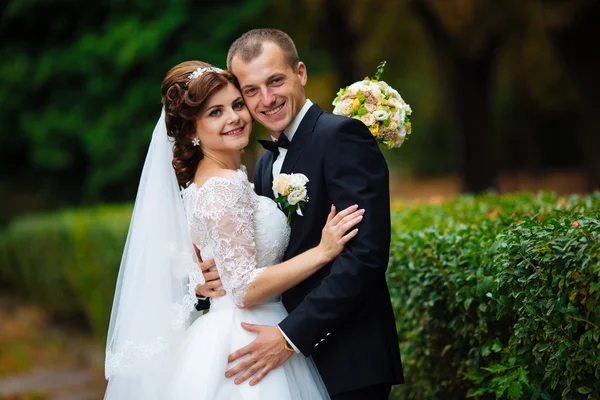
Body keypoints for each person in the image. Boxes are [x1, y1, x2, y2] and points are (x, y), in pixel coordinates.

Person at [103, 61, 364, 400]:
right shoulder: (224, 187)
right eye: (216, 112)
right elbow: (242, 288)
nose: (235, 118)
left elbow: (215, 264)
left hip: (230, 328)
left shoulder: (204, 182)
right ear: (192, 131)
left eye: (237, 105)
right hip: (250, 335)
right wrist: (323, 252)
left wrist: (202, 279)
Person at [195, 29, 404, 399]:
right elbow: (259, 253)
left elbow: (366, 257)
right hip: (284, 364)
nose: (267, 99)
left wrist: (291, 336)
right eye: (251, 90)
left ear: (301, 73)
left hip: (347, 357)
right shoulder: (261, 165)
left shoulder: (342, 136)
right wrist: (216, 276)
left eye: (276, 81)